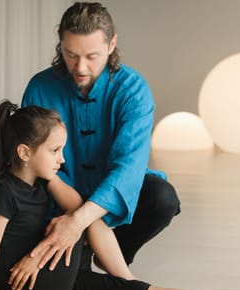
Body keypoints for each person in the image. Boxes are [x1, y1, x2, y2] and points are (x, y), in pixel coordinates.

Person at [0, 100, 240, 290]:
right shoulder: (1, 192)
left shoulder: (44, 181)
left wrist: (55, 181)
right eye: (55, 151)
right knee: (83, 217)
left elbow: (76, 206)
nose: (62, 159)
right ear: (25, 152)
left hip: (55, 282)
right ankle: (126, 278)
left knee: (130, 286)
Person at [20, 1, 181, 272]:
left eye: (92, 56)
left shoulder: (134, 90)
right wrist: (69, 214)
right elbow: (32, 162)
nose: (81, 67)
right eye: (71, 54)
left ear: (111, 44)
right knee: (68, 286)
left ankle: (116, 253)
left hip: (110, 193)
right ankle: (87, 250)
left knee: (162, 198)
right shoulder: (39, 87)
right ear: (61, 45)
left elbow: (129, 167)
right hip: (56, 197)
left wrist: (79, 221)